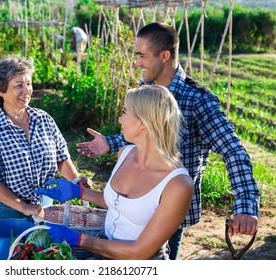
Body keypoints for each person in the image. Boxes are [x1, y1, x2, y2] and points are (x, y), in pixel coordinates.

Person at [76, 22, 260, 260]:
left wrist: (245, 205)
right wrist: (110, 143)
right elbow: (143, 134)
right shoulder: (146, 88)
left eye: (142, 55)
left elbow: (233, 151)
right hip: (133, 206)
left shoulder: (198, 100)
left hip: (169, 208)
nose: (137, 62)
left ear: (164, 56)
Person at [36, 85, 194, 260]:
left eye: (125, 112)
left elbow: (139, 251)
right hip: (104, 248)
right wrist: (79, 192)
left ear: (142, 122)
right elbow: (119, 203)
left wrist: (79, 239)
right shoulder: (125, 154)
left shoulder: (178, 185)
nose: (120, 120)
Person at [0, 55, 89, 222]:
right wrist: (24, 207)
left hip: (44, 205)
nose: (27, 91)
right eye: (19, 85)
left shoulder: (43, 119)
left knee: (43, 248)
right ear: (0, 90)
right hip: (7, 211)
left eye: (28, 84)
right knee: (13, 248)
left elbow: (61, 158)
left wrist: (76, 180)